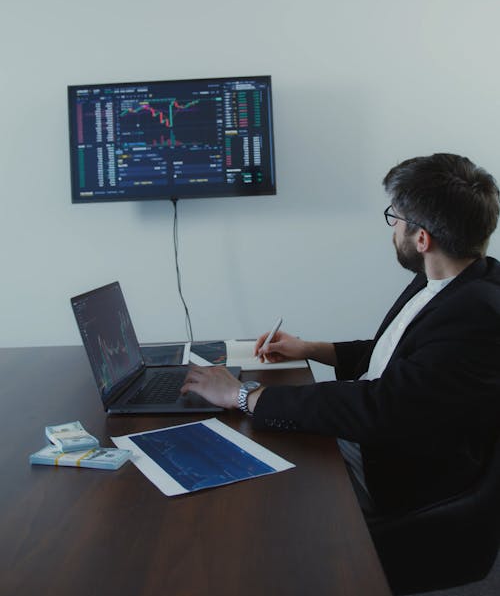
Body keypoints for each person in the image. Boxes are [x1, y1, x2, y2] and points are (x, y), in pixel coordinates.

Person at [181, 153, 500, 515]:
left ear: (422, 239)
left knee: (246, 501)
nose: (393, 229)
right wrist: (311, 349)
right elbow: (400, 354)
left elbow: (380, 407)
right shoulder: (451, 280)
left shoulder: (476, 315)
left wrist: (243, 395)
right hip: (375, 438)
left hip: (395, 477)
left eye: (395, 218)